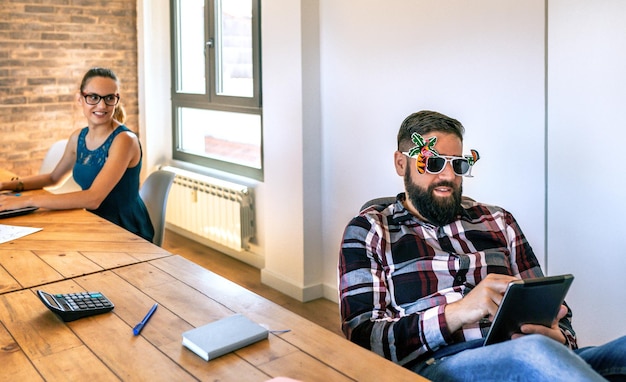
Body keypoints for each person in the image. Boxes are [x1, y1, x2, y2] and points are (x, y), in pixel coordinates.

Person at [338, 110, 626, 381]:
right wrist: (461, 310)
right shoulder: (370, 230)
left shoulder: (499, 220)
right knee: (532, 354)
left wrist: (560, 336)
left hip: (538, 353)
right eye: (434, 162)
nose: (449, 177)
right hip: (441, 365)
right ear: (402, 163)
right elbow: (364, 338)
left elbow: (550, 305)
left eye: (458, 165)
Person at [0, 67, 154, 242]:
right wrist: (4, 185)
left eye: (109, 98)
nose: (102, 106)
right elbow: (53, 178)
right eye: (94, 97)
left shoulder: (124, 140)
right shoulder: (78, 137)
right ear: (80, 99)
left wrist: (28, 200)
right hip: (92, 221)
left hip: (126, 230)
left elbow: (93, 198)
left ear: (117, 100)